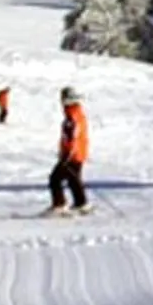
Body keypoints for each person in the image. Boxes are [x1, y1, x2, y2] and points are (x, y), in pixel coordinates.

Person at [47, 86, 90, 214]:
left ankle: (59, 205)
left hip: (72, 154)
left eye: (63, 99)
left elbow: (72, 137)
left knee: (55, 178)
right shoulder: (78, 113)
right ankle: (81, 203)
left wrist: (67, 155)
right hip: (79, 153)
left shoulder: (72, 116)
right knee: (73, 179)